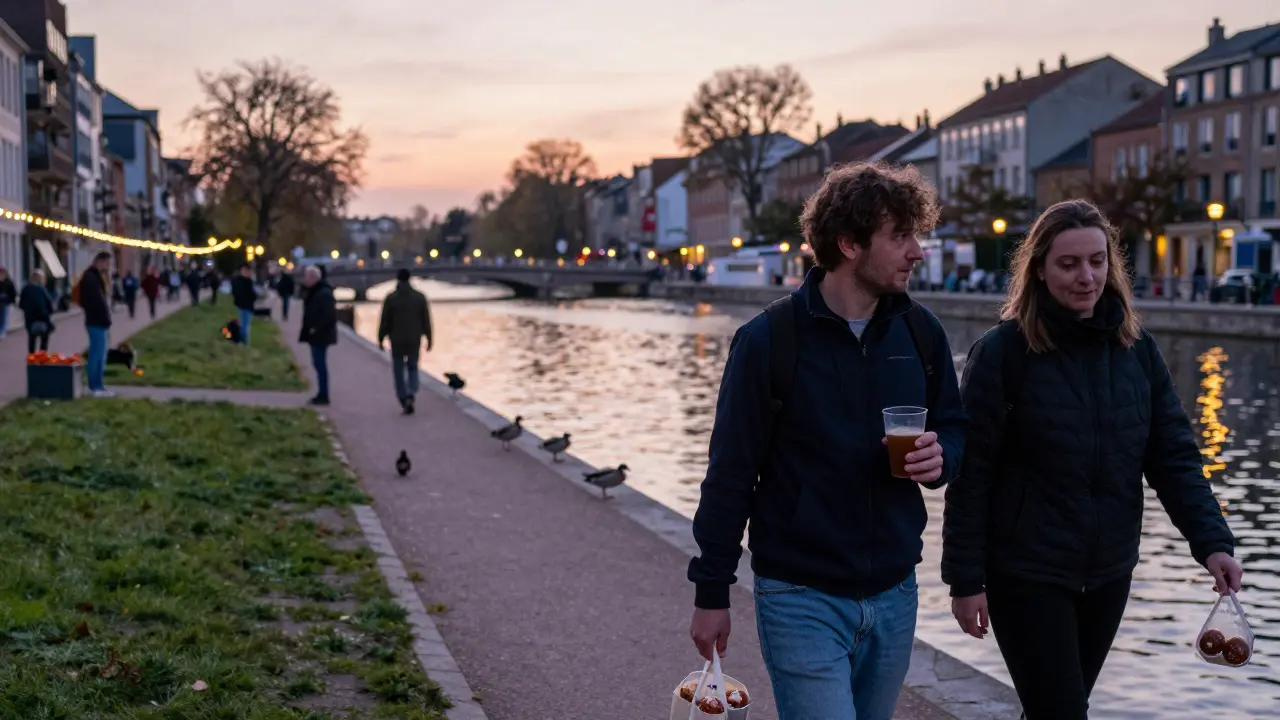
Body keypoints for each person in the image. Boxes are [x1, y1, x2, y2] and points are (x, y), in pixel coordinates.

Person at [942, 200, 1242, 720]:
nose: (1087, 277)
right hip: (1027, 573)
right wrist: (965, 581)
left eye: (1098, 261)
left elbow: (1172, 457)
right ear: (1038, 268)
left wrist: (1212, 542)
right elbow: (972, 476)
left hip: (1109, 570)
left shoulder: (1137, 350)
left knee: (1058, 709)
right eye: (1069, 264)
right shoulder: (1003, 354)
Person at [687, 162, 967, 719]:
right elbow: (731, 474)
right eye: (900, 237)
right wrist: (711, 591)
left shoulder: (921, 332)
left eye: (918, 235)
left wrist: (943, 459)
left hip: (895, 590)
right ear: (848, 244)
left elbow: (955, 428)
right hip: (800, 594)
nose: (917, 251)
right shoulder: (770, 341)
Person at [377, 268, 433, 414]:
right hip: (414, 339)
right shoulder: (420, 297)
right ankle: (411, 391)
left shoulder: (391, 298)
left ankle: (403, 397)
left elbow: (385, 320)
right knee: (413, 366)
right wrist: (429, 338)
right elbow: (426, 320)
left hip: (396, 340)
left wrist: (381, 337)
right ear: (410, 279)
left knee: (398, 370)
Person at [299, 265, 336, 405]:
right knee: (317, 363)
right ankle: (322, 393)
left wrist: (315, 328)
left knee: (320, 364)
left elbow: (329, 316)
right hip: (316, 334)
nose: (305, 280)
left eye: (307, 277)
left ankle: (323, 395)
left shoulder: (323, 293)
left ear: (314, 278)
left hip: (320, 335)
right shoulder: (315, 291)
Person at [78, 251, 115, 398]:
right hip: (96, 321)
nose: (108, 267)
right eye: (107, 263)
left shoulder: (94, 277)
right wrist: (104, 318)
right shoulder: (91, 278)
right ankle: (95, 386)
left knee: (100, 354)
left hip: (97, 321)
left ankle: (98, 385)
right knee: (97, 354)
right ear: (100, 261)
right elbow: (96, 302)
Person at [18, 269, 54, 353]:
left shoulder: (25, 289)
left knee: (32, 339)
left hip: (29, 319)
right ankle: (42, 357)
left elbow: (21, 304)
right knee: (44, 339)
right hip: (42, 318)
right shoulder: (42, 290)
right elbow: (49, 304)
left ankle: (32, 358)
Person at [230, 264, 259, 345]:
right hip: (244, 305)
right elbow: (246, 293)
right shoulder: (242, 281)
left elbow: (251, 293)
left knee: (245, 325)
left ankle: (243, 342)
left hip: (245, 305)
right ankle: (244, 342)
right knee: (244, 325)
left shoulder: (247, 281)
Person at [0, 266, 15, 338]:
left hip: (4, 303)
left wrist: (12, 301)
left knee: (3, 317)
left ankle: (2, 332)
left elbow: (12, 292)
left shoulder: (8, 282)